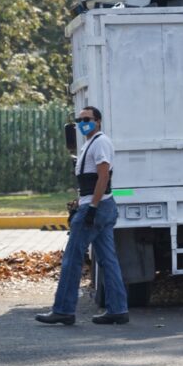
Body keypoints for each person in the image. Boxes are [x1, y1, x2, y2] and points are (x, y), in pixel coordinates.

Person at [36, 107, 129, 325]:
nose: (82, 123)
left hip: (96, 210)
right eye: (79, 120)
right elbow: (90, 182)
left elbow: (103, 176)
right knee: (108, 260)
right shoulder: (90, 143)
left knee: (71, 259)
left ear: (98, 121)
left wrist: (92, 207)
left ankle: (64, 310)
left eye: (86, 119)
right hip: (98, 206)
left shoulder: (100, 142)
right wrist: (83, 201)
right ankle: (118, 310)